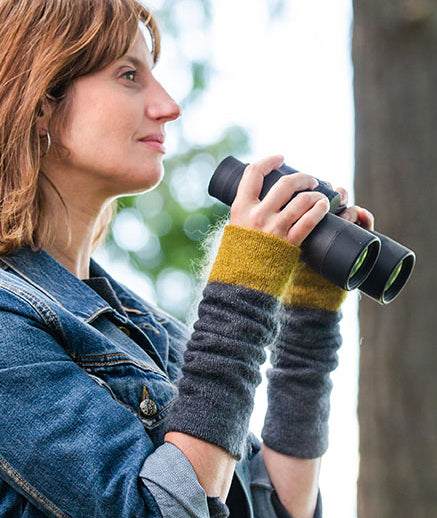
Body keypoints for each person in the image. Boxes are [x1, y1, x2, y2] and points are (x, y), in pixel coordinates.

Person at [0, 1, 374, 517]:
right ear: (42, 101)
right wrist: (241, 294)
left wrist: (308, 313)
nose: (169, 106)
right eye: (128, 75)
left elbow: (278, 508)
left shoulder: (151, 330)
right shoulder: (7, 325)